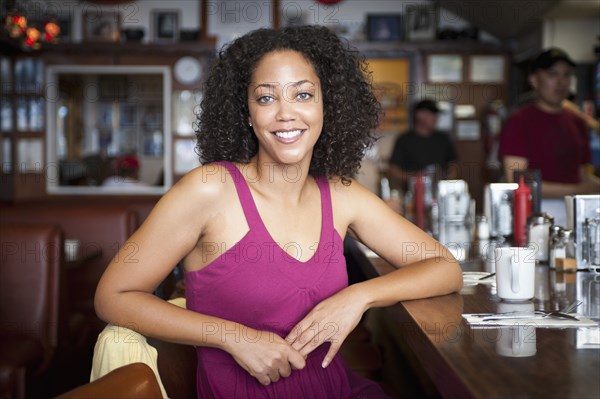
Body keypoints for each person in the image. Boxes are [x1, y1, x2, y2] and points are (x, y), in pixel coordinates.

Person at [94, 25, 462, 399]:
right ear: (247, 113)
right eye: (266, 99)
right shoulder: (209, 190)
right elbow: (113, 297)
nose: (286, 114)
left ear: (326, 107)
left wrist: (358, 297)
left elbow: (444, 267)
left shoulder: (342, 194)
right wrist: (234, 337)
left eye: (303, 94)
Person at [498, 47, 600, 197]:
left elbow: (582, 174)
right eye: (552, 74)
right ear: (534, 80)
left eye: (566, 75)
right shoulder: (518, 121)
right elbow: (517, 181)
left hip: (575, 211)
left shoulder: (577, 122)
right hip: (534, 213)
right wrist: (576, 191)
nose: (560, 81)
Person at [388, 98, 458, 187]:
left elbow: (453, 164)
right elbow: (393, 170)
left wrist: (449, 177)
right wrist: (414, 177)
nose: (437, 118)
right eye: (433, 114)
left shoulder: (443, 139)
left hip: (439, 190)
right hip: (412, 192)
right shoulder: (404, 140)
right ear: (419, 115)